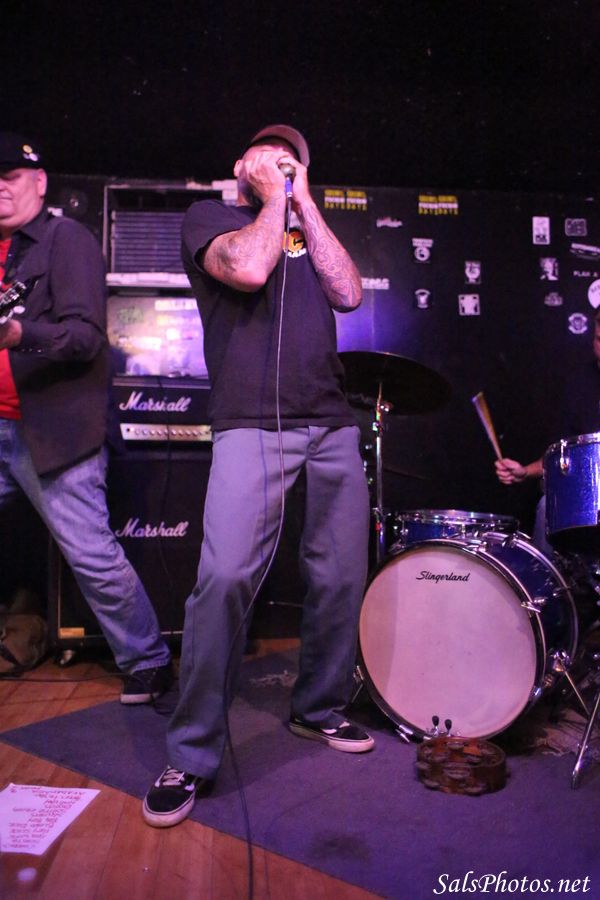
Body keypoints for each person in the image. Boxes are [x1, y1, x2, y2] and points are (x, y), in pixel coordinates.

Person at [143, 124, 373, 828]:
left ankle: (318, 708)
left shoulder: (305, 222)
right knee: (224, 578)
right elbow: (245, 270)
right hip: (252, 422)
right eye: (268, 154)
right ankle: (190, 752)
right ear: (240, 164)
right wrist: (275, 197)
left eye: (292, 158)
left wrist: (305, 204)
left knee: (341, 575)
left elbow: (349, 293)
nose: (281, 163)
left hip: (330, 421)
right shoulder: (209, 218)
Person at [0, 132, 172, 701]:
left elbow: (85, 337)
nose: (0, 188)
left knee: (91, 552)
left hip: (48, 431)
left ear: (39, 182)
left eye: (10, 177)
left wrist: (19, 332)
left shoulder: (64, 239)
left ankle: (148, 659)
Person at [495, 309, 600, 552]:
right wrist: (524, 472)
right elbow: (561, 456)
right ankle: (546, 577)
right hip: (590, 494)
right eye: (599, 339)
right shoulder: (578, 384)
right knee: (547, 507)